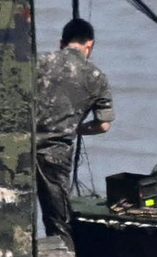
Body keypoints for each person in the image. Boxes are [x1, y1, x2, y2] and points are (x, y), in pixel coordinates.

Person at [29, 19, 112, 238]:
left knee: (15, 211)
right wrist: (75, 129)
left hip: (21, 145)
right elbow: (103, 125)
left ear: (61, 43)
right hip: (56, 154)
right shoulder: (96, 77)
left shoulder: (37, 62)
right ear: (90, 44)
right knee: (58, 220)